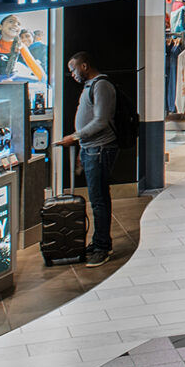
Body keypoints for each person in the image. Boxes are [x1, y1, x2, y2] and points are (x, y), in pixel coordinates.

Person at [56, 53, 118, 266]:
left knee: (99, 200)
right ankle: (99, 241)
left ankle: (103, 246)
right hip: (91, 149)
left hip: (99, 149)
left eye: (73, 69)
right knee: (97, 198)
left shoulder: (101, 86)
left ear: (84, 65)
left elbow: (101, 120)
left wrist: (75, 137)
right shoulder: (91, 86)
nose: (72, 74)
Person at [0, 13, 47, 84]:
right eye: (11, 21)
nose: (15, 25)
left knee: (37, 81)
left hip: (13, 77)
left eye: (18, 24)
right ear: (0, 27)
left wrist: (43, 80)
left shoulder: (20, 45)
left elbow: (32, 64)